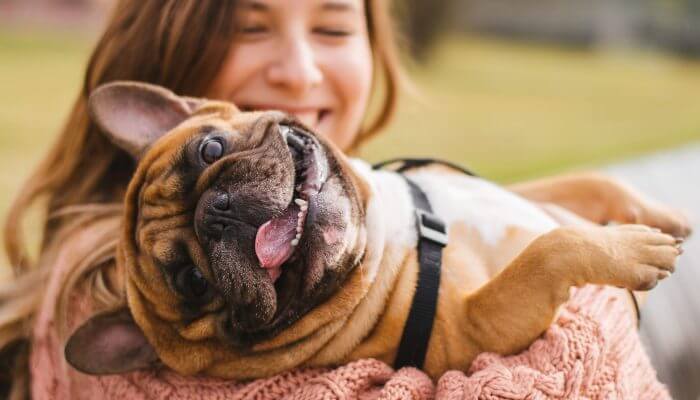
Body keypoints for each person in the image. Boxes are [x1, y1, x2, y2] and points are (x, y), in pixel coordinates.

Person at [0, 1, 681, 399]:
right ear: (166, 49)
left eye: (332, 28)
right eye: (251, 27)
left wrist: (586, 199)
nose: (299, 70)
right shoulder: (96, 295)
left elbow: (480, 213)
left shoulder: (365, 201)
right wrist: (602, 285)